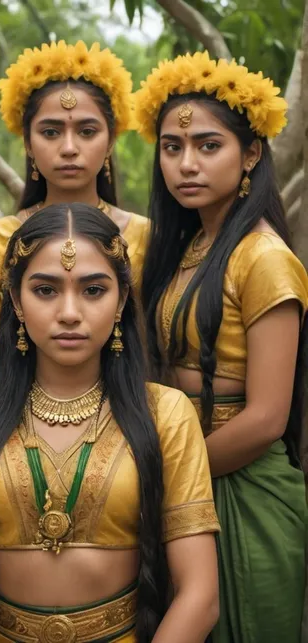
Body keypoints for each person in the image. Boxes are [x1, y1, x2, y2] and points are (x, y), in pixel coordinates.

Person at [0, 203, 221, 643]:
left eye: (93, 290)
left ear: (122, 300)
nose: (70, 312)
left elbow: (200, 595)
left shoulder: (167, 414)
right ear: (16, 300)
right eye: (46, 290)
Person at [135, 51, 308, 642]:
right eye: (172, 147)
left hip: (244, 487)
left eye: (209, 146)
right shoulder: (187, 249)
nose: (186, 163)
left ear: (251, 154)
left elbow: (265, 418)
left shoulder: (263, 258)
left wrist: (169, 480)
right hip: (188, 474)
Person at [0, 40, 150, 367]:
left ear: (110, 141)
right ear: (28, 142)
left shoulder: (144, 236)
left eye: (87, 131)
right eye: (51, 132)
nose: (69, 148)